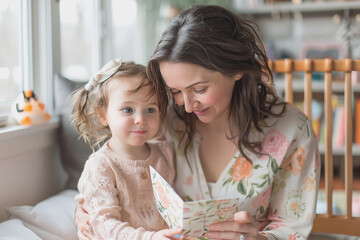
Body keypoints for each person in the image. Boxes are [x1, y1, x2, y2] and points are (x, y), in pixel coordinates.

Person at [76, 5, 320, 240]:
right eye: (175, 91)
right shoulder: (162, 116)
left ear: (235, 70)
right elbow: (119, 168)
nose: (188, 106)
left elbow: (291, 228)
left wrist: (259, 238)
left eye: (200, 89)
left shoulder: (292, 130)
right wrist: (86, 211)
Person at [70, 58, 182, 240]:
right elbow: (103, 224)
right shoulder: (101, 165)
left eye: (150, 110)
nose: (141, 119)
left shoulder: (165, 153)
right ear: (103, 115)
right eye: (128, 110)